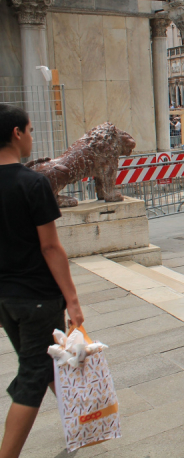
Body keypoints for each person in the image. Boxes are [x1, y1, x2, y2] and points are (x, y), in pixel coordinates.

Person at [0, 105, 85, 458]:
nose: (32, 138)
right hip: (37, 297)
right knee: (33, 376)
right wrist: (74, 302)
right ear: (17, 134)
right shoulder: (32, 183)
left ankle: (81, 424)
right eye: (31, 130)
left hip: (5, 299)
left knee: (45, 363)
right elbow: (51, 247)